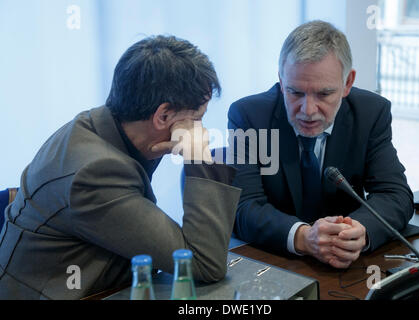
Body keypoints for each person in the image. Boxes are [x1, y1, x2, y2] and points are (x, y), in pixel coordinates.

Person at [0, 36, 241, 299]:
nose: (200, 129)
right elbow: (204, 263)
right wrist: (198, 158)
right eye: (196, 119)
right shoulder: (93, 174)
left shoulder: (100, 122)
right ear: (163, 116)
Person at [228, 20, 414, 269]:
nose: (308, 110)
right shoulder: (249, 116)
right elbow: (243, 207)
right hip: (273, 265)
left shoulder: (371, 113)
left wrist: (360, 230)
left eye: (324, 94)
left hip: (347, 268)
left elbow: (396, 194)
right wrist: (304, 237)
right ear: (281, 81)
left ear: (348, 83)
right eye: (295, 92)